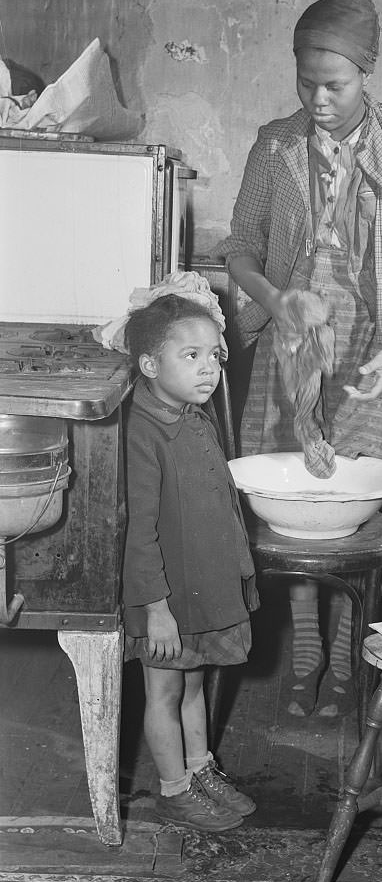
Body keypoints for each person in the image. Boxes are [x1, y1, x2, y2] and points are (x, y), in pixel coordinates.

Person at [215, 0, 382, 718]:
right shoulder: (273, 145)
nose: (318, 97)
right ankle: (308, 642)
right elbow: (241, 251)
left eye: (335, 83)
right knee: (299, 499)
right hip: (293, 347)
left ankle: (349, 638)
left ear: (365, 74)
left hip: (375, 349)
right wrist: (279, 302)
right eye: (306, 80)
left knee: (355, 499)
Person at [121, 293, 260, 832]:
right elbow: (139, 532)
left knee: (195, 683)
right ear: (150, 366)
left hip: (201, 586)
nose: (208, 367)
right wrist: (155, 608)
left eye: (215, 356)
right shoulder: (142, 431)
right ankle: (174, 788)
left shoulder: (193, 418)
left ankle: (199, 769)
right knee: (165, 689)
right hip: (165, 597)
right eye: (191, 355)